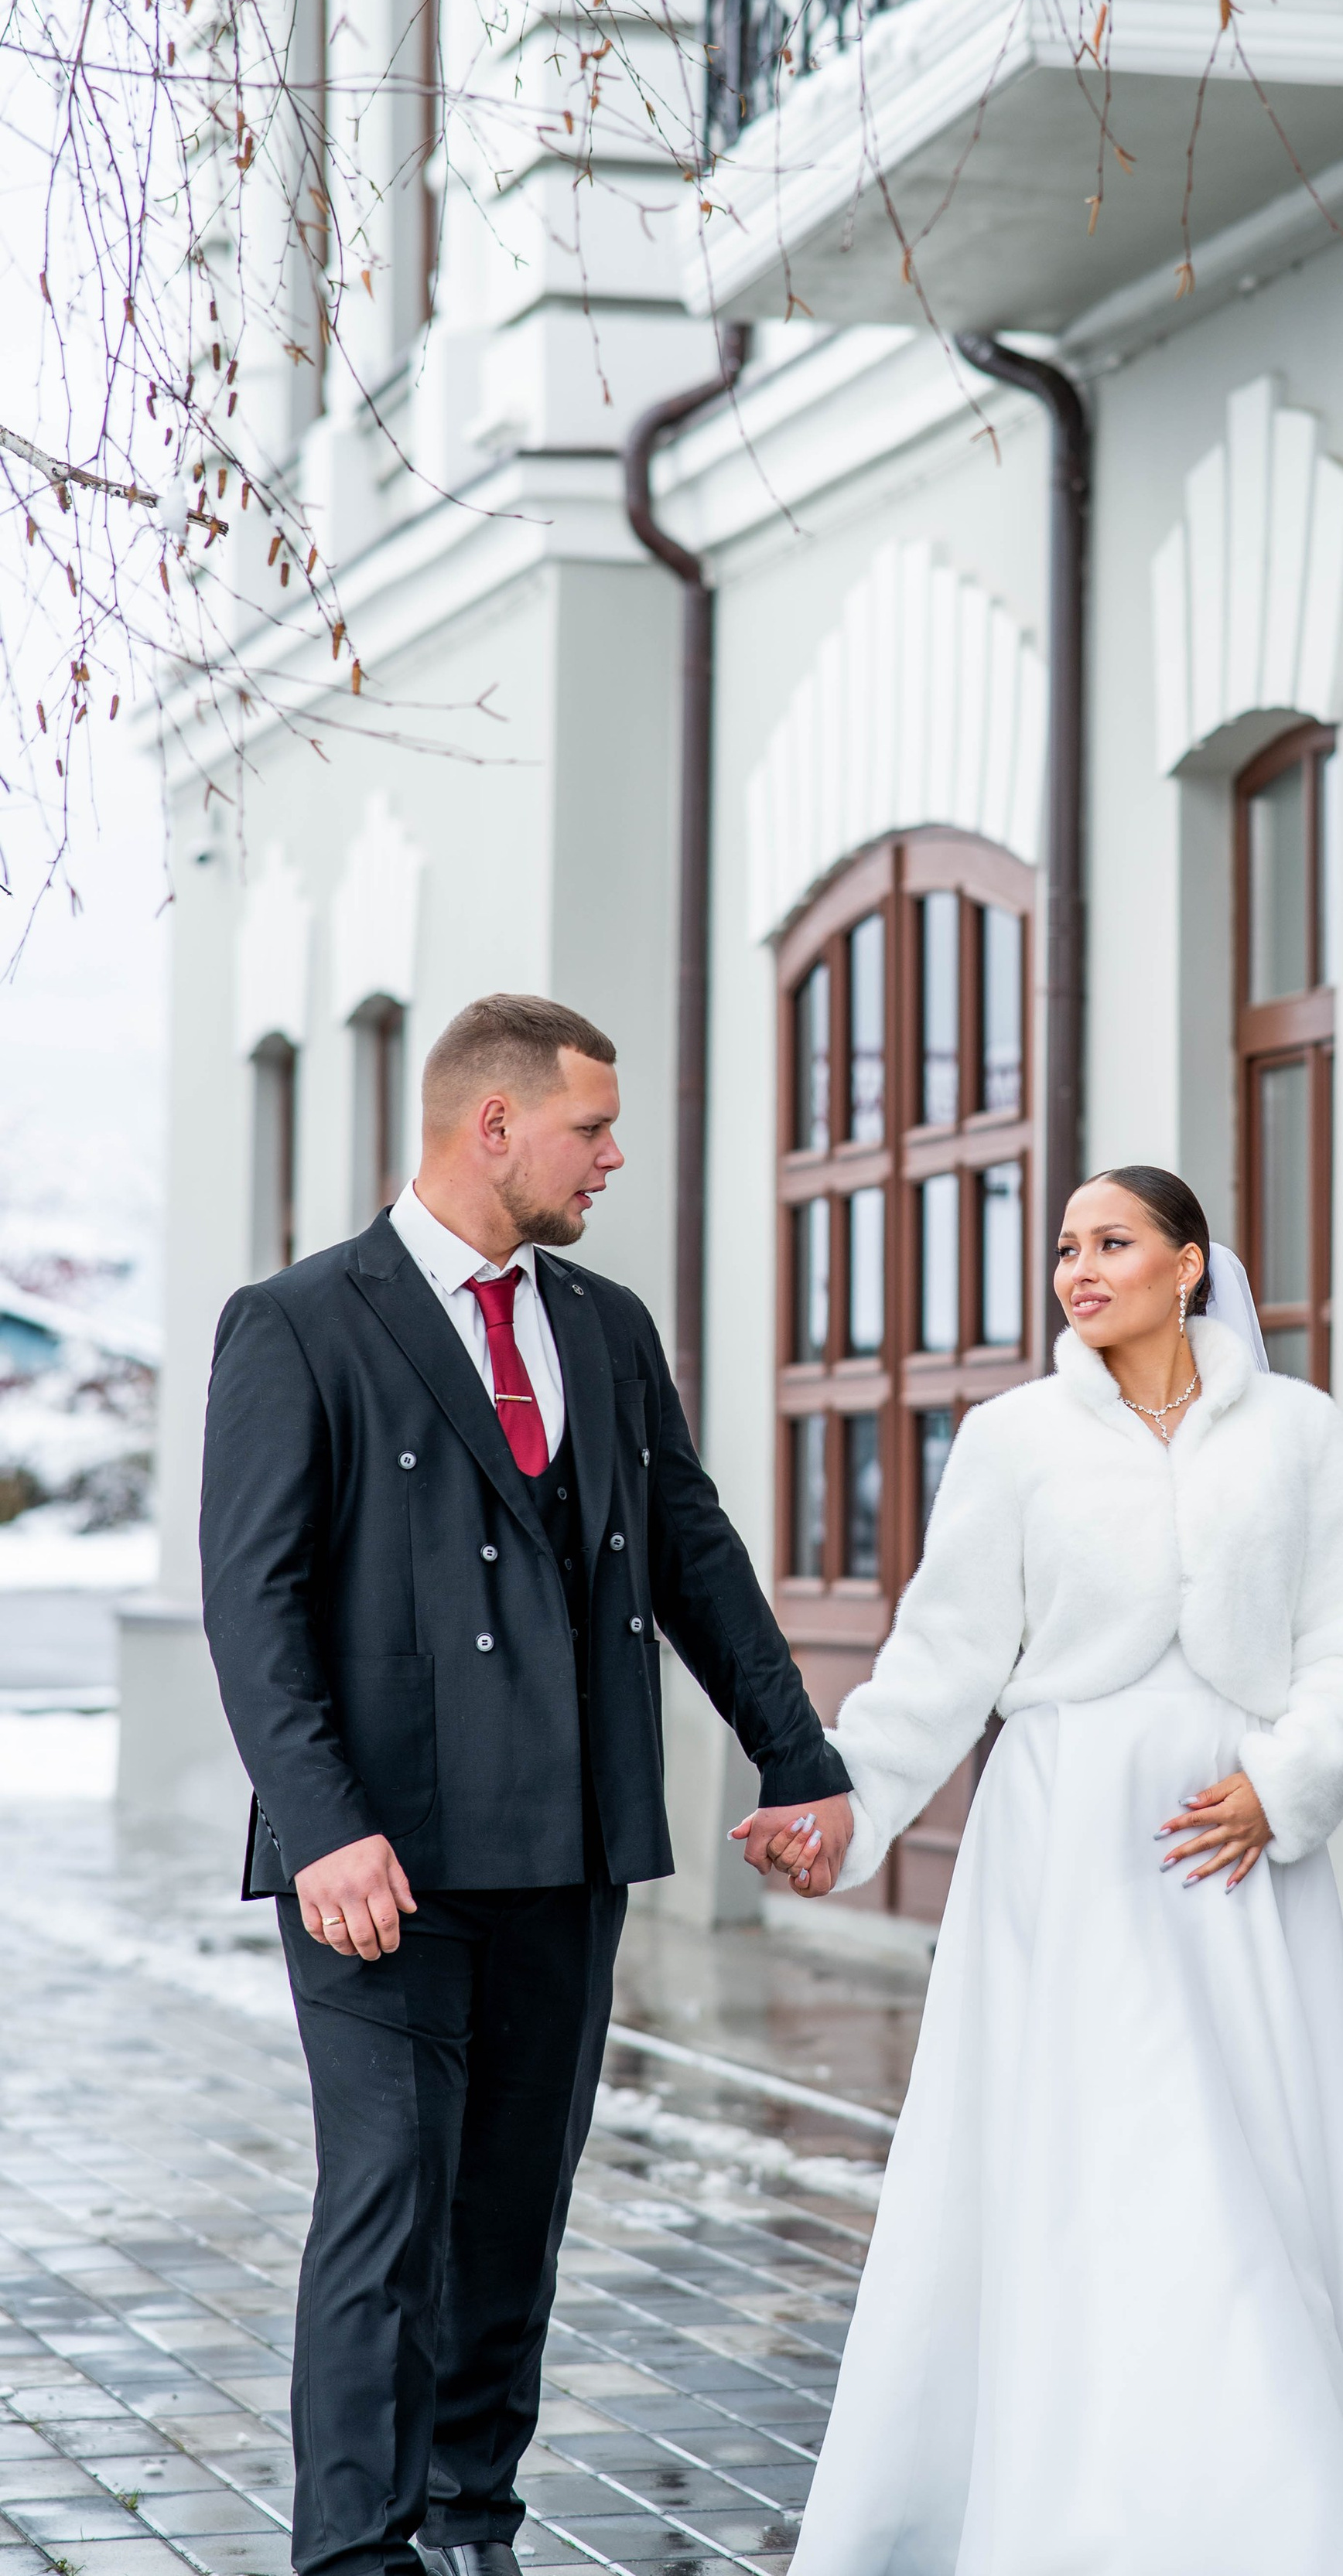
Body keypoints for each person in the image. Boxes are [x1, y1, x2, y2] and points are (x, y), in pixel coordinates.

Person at [200, 992, 853, 2576]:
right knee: (389, 2203)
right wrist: (322, 1824)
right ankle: (354, 2551)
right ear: (492, 1126)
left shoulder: (606, 1328)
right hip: (382, 1864)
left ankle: (473, 2520)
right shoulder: (299, 1320)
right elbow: (253, 1599)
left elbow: (691, 1551)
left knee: (510, 2213)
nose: (611, 1156)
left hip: (565, 1851)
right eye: (590, 1128)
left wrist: (800, 1752)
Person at [737, 1164, 1343, 2576]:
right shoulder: (1014, 1441)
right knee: (1100, 2170)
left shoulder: (1301, 1437)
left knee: (1250, 2168)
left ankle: (1275, 2518)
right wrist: (842, 1804)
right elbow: (945, 1658)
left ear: (1190, 1264)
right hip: (1065, 1853)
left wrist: (1285, 1782)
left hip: (1235, 1858)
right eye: (1066, 1247)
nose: (1079, 1267)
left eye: (1113, 1241)